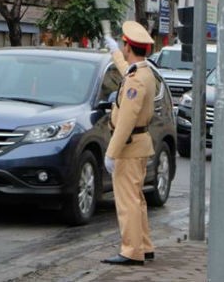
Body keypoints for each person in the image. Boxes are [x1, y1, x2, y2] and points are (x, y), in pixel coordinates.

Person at [101, 21, 156, 267]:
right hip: (139, 144)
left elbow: (125, 121)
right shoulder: (143, 72)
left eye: (122, 44)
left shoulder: (136, 81)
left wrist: (111, 152)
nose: (122, 47)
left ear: (129, 46)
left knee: (127, 202)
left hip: (130, 146)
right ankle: (143, 245)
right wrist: (113, 50)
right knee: (136, 199)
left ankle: (132, 251)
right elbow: (126, 69)